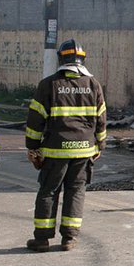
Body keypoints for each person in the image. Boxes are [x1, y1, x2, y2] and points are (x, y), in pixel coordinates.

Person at [25, 39, 107, 253]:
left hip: (55, 151)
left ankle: (42, 239)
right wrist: (100, 144)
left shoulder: (48, 85)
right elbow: (101, 119)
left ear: (60, 58)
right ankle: (69, 239)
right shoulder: (93, 84)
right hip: (84, 150)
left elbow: (35, 121)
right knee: (76, 191)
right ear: (83, 59)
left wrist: (33, 147)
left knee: (48, 191)